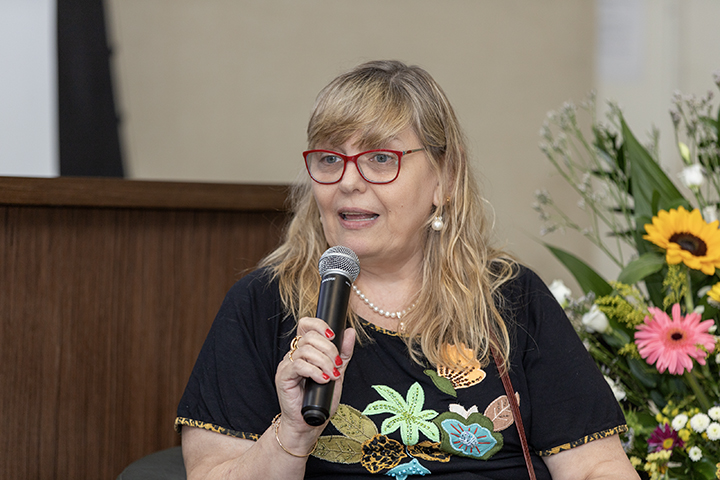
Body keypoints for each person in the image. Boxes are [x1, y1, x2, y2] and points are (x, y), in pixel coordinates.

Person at [176, 60, 640, 479]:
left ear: (445, 178)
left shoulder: (511, 297)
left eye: (381, 158)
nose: (350, 181)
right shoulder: (263, 305)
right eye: (330, 159)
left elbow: (596, 468)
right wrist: (293, 436)